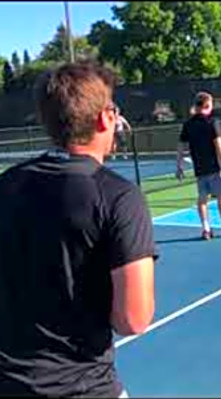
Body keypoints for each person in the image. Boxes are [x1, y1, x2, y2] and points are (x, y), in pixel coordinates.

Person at [0, 61, 157, 398]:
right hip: (84, 388)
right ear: (105, 118)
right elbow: (133, 319)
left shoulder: (7, 184)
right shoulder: (119, 198)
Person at [176, 92, 221, 241]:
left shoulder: (188, 125)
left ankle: (206, 230)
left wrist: (179, 166)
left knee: (202, 199)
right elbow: (218, 145)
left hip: (199, 169)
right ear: (207, 105)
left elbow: (181, 147)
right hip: (214, 168)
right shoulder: (212, 122)